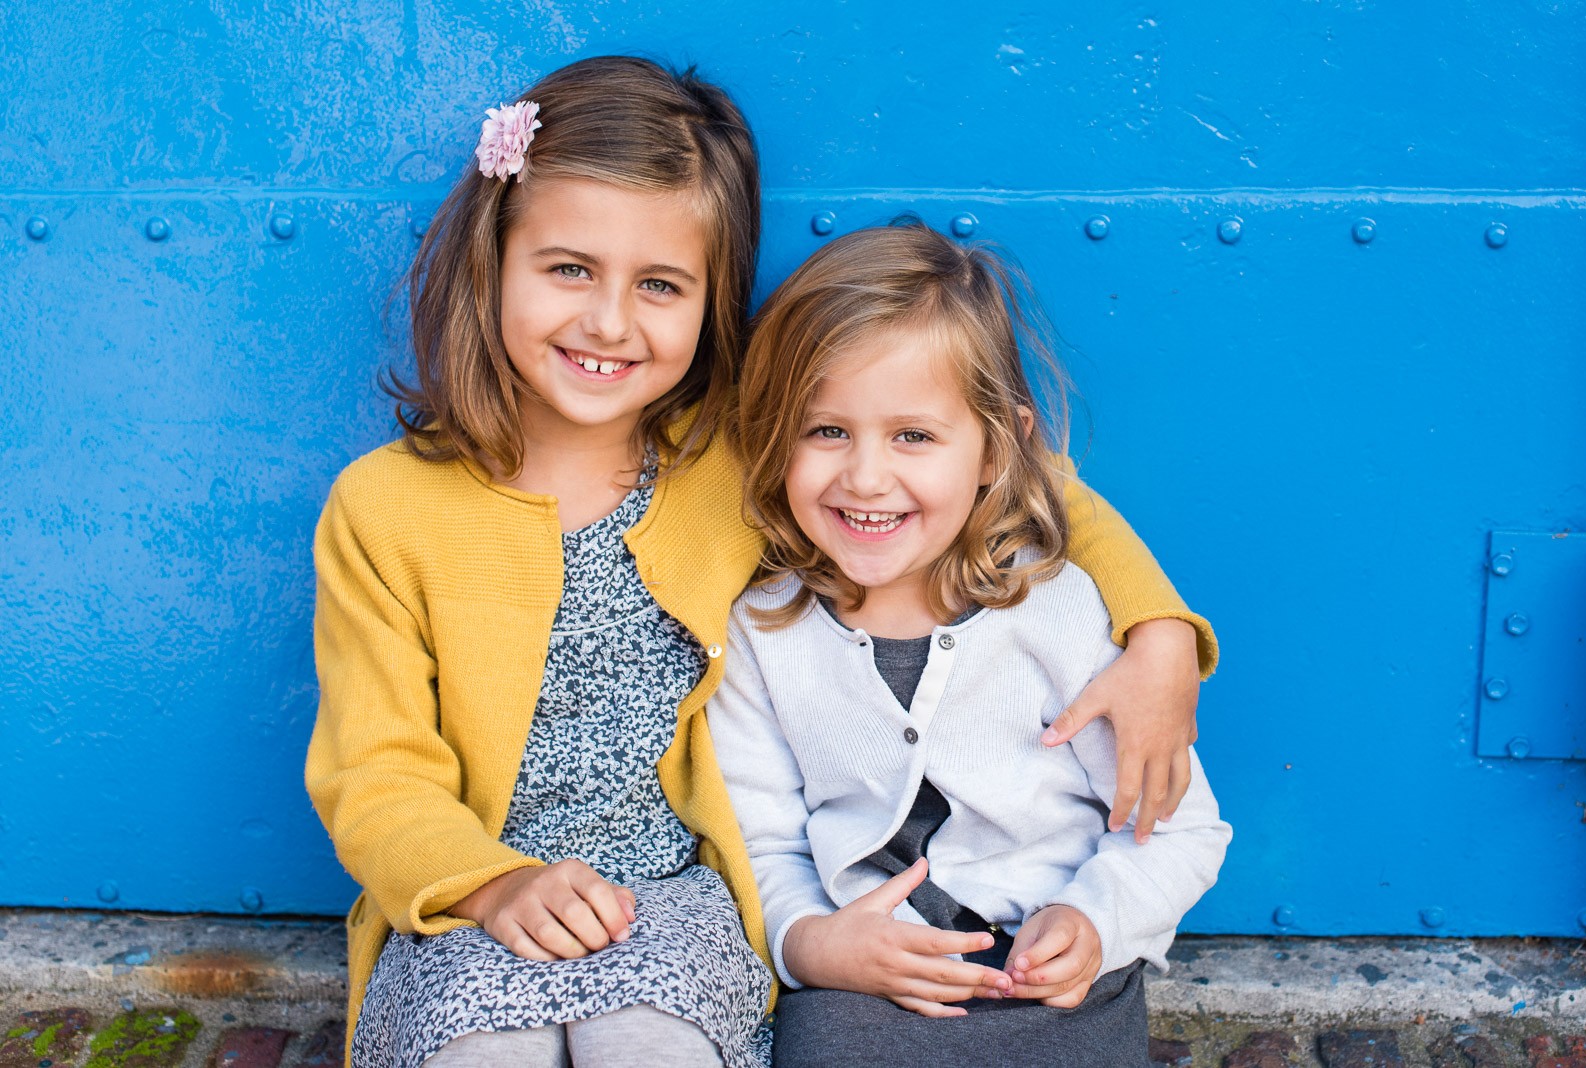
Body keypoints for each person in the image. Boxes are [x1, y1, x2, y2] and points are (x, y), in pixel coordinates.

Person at [306, 56, 1215, 1068]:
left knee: (652, 1051)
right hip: (471, 902)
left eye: (659, 284)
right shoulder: (384, 509)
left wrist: (1161, 635)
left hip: (683, 893)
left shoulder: (741, 447)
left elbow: (1034, 483)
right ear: (493, 259)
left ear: (711, 297)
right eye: (568, 268)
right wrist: (489, 884)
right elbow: (372, 773)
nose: (608, 322)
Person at [710, 221, 1232, 1068]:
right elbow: (761, 840)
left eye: (912, 435)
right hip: (864, 985)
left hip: (1057, 983)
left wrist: (1095, 922)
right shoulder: (763, 627)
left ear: (997, 445)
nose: (866, 478)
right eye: (825, 431)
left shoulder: (1058, 610)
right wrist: (810, 944)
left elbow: (1182, 831)